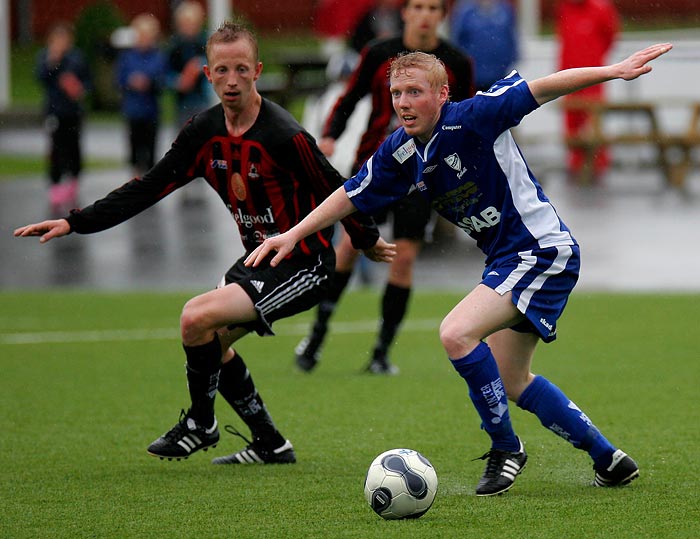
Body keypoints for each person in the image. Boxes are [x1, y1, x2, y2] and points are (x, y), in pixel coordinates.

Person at [246, 43, 673, 494]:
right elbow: (352, 193)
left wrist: (613, 70)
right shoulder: (401, 151)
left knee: (456, 333)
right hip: (511, 259)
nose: (404, 103)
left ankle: (507, 448)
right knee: (511, 379)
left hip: (541, 251)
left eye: (415, 92)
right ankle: (608, 458)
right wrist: (292, 233)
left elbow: (542, 87)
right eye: (396, 93)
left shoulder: (471, 117)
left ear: (442, 94)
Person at [15, 21, 394, 465]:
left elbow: (336, 186)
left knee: (195, 315)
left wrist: (366, 239)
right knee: (207, 338)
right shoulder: (203, 133)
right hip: (255, 263)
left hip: (304, 265)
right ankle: (270, 443)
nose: (231, 80)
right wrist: (74, 222)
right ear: (208, 73)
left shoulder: (283, 134)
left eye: (240, 70)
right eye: (221, 70)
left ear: (257, 70)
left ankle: (201, 422)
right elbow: (147, 187)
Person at [296, 0, 475, 375]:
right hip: (374, 170)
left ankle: (380, 353)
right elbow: (350, 98)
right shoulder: (378, 53)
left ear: (442, 16)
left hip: (423, 176)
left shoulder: (456, 63)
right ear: (405, 12)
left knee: (404, 257)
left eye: (432, 8)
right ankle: (316, 336)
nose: (424, 15)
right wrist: (330, 135)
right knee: (348, 249)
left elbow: (468, 118)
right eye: (418, 7)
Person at [556, 0, 620, 182]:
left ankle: (597, 164)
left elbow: (610, 37)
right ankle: (575, 163)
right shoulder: (566, 8)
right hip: (568, 75)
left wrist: (594, 62)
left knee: (592, 119)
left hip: (593, 77)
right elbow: (563, 38)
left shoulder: (601, 8)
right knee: (572, 120)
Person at [35, 21, 91, 214]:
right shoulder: (46, 57)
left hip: (73, 112)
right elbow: (41, 77)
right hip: (54, 112)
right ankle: (55, 183)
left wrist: (79, 89)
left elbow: (86, 81)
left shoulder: (76, 58)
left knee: (73, 146)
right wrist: (52, 61)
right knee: (55, 148)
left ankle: (74, 179)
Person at [116, 13, 167, 176]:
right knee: (134, 150)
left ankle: (149, 184)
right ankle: (135, 179)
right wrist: (130, 82)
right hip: (133, 110)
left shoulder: (158, 56)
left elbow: (162, 81)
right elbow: (118, 80)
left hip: (151, 111)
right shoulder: (127, 57)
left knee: (150, 150)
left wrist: (149, 83)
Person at [450, 0, 519, 91]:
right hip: (473, 76)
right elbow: (457, 40)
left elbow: (511, 37)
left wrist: (511, 61)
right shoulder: (465, 10)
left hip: (500, 74)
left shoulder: (505, 9)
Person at [166, 1, 211, 129]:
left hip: (201, 99)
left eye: (192, 23)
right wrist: (177, 81)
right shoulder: (174, 45)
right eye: (185, 24)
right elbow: (165, 72)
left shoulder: (205, 43)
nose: (189, 28)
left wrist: (199, 67)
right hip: (182, 102)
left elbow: (214, 64)